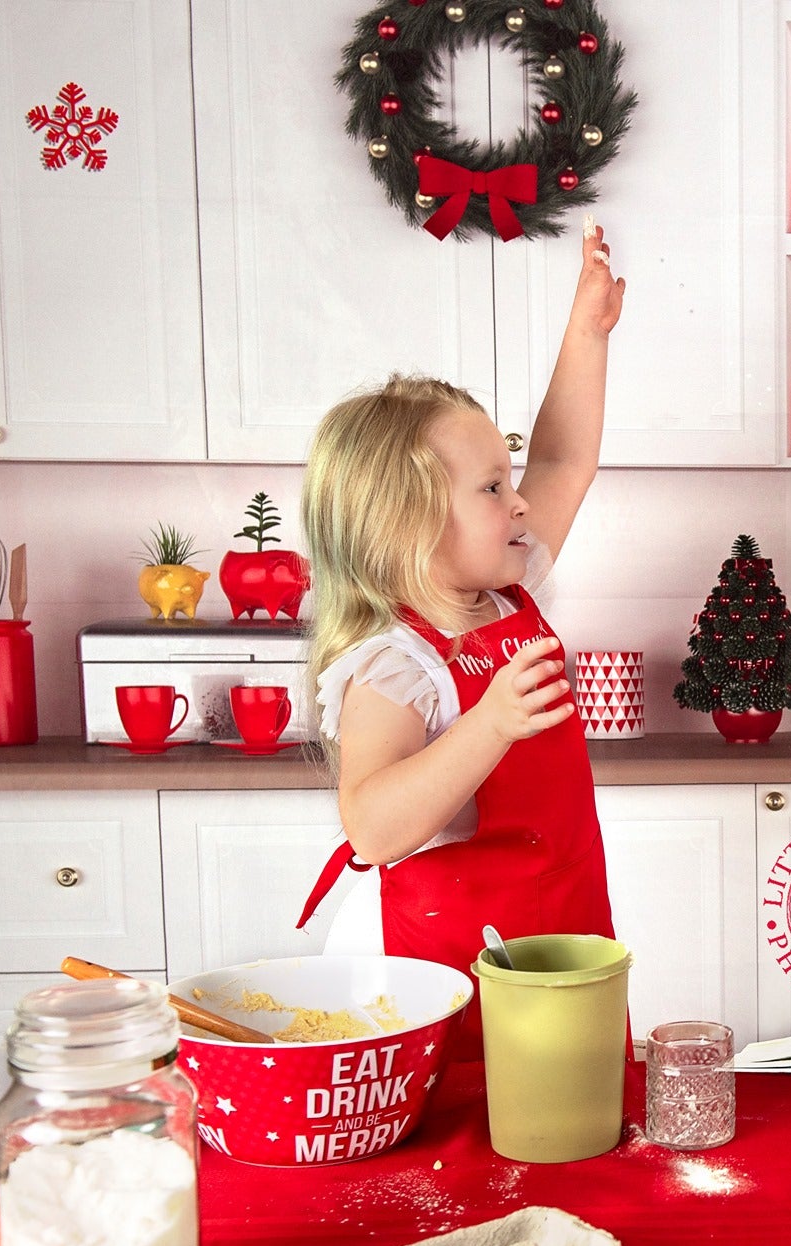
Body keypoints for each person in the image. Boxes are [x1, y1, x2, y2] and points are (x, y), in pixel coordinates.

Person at [294, 220, 627, 1026]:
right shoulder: (395, 662)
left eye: (507, 481)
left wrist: (586, 331)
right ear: (408, 522)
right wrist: (492, 723)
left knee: (564, 1121)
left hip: (557, 932)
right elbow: (372, 826)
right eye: (489, 488)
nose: (518, 501)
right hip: (443, 972)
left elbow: (563, 462)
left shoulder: (505, 594)